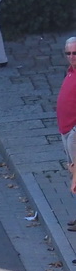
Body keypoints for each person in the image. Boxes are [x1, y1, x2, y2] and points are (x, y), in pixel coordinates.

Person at [57, 36, 76, 206]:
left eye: (75, 53)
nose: (71, 56)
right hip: (66, 130)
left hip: (73, 132)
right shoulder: (70, 71)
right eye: (68, 53)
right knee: (73, 170)